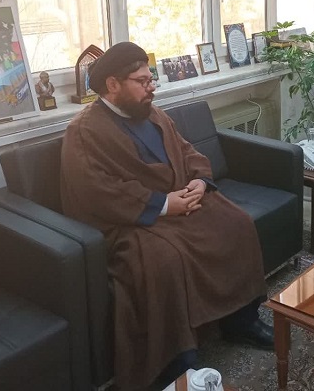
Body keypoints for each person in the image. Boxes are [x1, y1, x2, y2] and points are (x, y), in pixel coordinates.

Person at [60, 42, 273, 391]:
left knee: (237, 223)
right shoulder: (84, 131)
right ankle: (177, 361)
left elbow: (187, 151)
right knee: (165, 260)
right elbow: (97, 191)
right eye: (142, 81)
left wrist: (200, 181)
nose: (152, 88)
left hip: (179, 201)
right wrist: (162, 204)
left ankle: (241, 320)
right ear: (112, 85)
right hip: (130, 222)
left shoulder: (152, 112)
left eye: (151, 79)